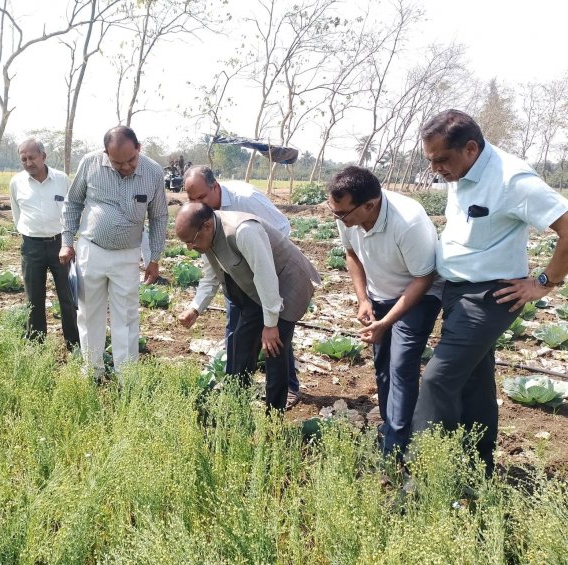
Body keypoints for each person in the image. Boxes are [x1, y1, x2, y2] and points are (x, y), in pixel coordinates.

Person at [411, 109, 568, 474]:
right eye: (430, 160)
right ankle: (476, 469)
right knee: (474, 383)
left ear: (470, 148)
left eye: (441, 160)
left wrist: (545, 283)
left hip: (489, 297)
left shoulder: (512, 180)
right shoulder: (460, 171)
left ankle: (425, 478)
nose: (436, 169)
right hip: (456, 291)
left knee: (437, 380)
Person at [328, 166, 442, 456]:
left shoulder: (409, 222)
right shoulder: (347, 215)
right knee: (383, 366)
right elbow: (351, 254)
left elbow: (424, 277)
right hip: (380, 296)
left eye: (342, 214)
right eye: (334, 212)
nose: (338, 219)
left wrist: (388, 321)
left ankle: (396, 447)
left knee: (401, 365)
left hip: (419, 296)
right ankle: (393, 426)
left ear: (369, 205)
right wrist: (363, 299)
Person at [176, 202, 320, 411]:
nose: (190, 247)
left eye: (191, 241)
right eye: (186, 243)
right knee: (241, 344)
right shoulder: (205, 238)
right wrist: (195, 308)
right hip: (257, 290)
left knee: (274, 350)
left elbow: (266, 276)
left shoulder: (243, 231)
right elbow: (211, 277)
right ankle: (236, 407)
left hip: (286, 285)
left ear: (207, 226)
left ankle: (274, 415)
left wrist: (271, 325)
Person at [60, 126, 168, 379]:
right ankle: (92, 372)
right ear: (106, 153)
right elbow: (73, 202)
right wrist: (67, 241)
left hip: (127, 255)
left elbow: (159, 216)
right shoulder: (90, 163)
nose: (127, 167)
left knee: (127, 317)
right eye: (118, 162)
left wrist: (155, 257)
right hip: (91, 250)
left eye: (131, 160)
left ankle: (126, 377)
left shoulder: (153, 172)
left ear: (139, 148)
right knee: (89, 315)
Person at [9, 137, 79, 350]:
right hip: (32, 247)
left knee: (67, 296)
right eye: (24, 159)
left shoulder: (61, 180)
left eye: (32, 157)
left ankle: (74, 343)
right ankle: (36, 344)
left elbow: (73, 210)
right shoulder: (16, 183)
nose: (28, 163)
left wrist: (69, 241)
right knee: (34, 298)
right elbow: (16, 215)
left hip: (61, 244)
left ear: (43, 156)